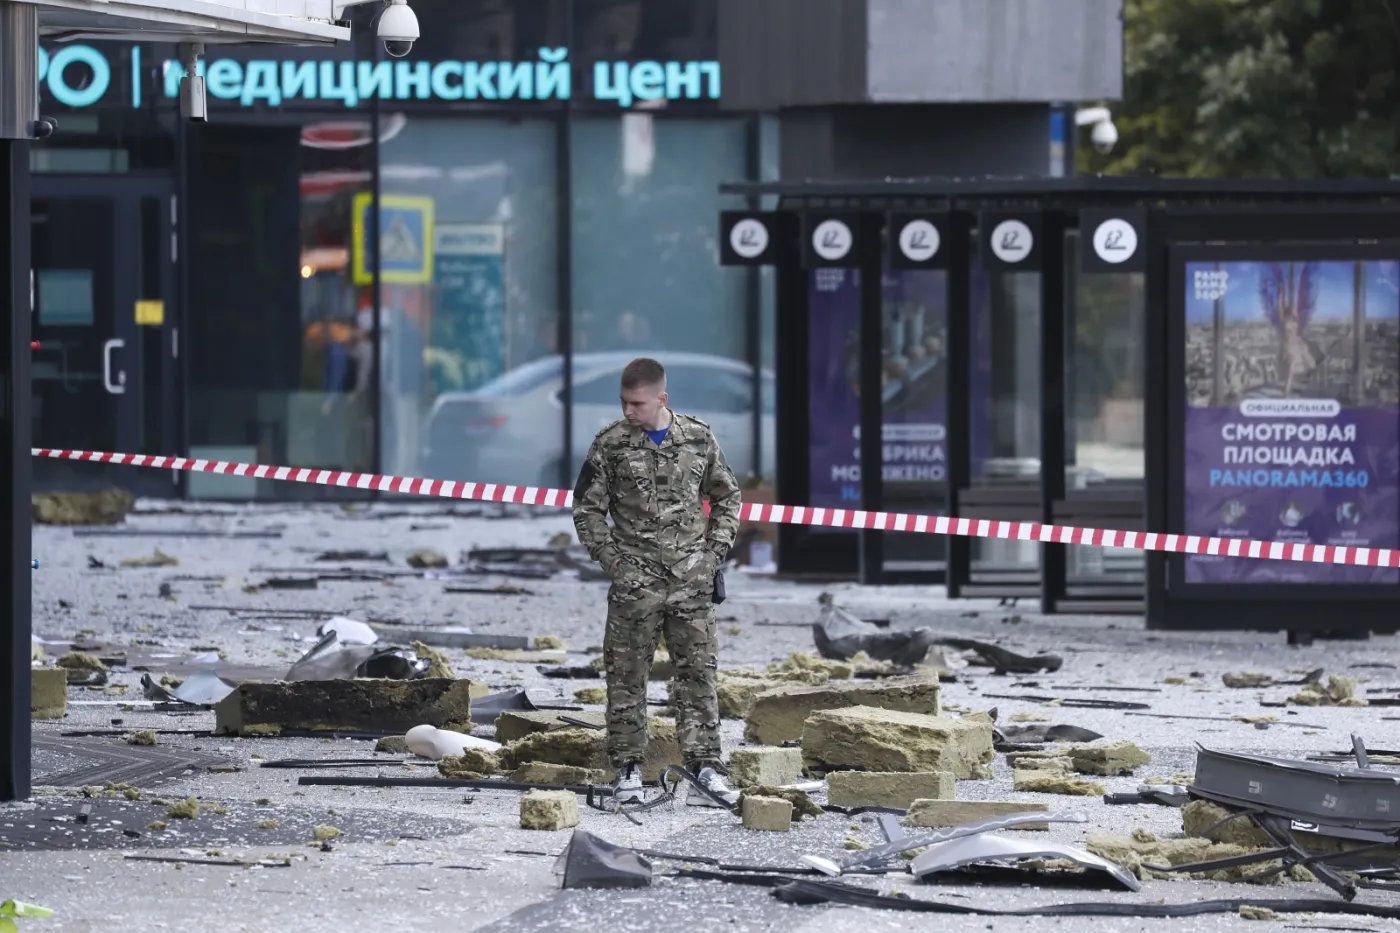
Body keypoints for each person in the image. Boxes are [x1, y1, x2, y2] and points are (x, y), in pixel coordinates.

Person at [572, 357, 743, 808]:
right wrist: (614, 562)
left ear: (662, 399)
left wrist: (712, 556)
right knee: (627, 679)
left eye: (638, 403)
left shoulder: (698, 437)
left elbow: (728, 497)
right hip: (636, 583)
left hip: (691, 581)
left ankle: (706, 768)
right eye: (624, 402)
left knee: (698, 676)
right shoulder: (609, 444)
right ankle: (627, 769)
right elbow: (587, 510)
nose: (629, 410)